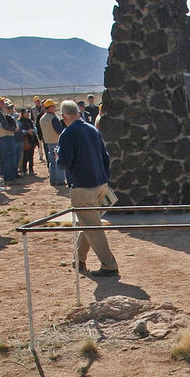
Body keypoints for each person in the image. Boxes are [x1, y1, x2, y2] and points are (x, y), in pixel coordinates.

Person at [55, 99, 119, 277]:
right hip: (100, 184)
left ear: (64, 116)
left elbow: (64, 162)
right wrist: (105, 179)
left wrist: (57, 157)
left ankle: (109, 264)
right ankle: (79, 259)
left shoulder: (67, 134)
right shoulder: (91, 129)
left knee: (92, 226)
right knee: (88, 222)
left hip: (82, 186)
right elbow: (105, 157)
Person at [37, 100, 65, 186]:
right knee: (58, 161)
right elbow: (59, 130)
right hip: (56, 141)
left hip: (47, 142)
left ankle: (52, 180)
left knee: (51, 162)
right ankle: (60, 180)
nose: (55, 107)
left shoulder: (42, 118)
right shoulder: (53, 118)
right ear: (50, 107)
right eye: (53, 106)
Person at [0, 98, 20, 184]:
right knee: (9, 158)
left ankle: (8, 177)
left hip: (5, 137)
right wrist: (14, 129)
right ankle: (9, 178)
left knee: (7, 158)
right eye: (1, 102)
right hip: (5, 137)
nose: (3, 103)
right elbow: (4, 125)